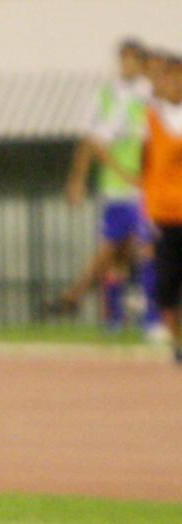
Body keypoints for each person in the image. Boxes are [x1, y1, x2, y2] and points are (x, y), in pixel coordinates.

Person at [51, 39, 156, 334]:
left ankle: (149, 318)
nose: (127, 65)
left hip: (146, 187)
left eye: (133, 59)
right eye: (123, 59)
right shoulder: (107, 96)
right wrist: (77, 181)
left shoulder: (153, 95)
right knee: (116, 256)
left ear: (143, 64)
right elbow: (90, 141)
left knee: (145, 249)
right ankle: (113, 318)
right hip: (115, 188)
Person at [142, 54, 182, 363]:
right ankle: (177, 340)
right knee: (167, 281)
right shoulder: (151, 119)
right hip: (166, 214)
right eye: (170, 77)